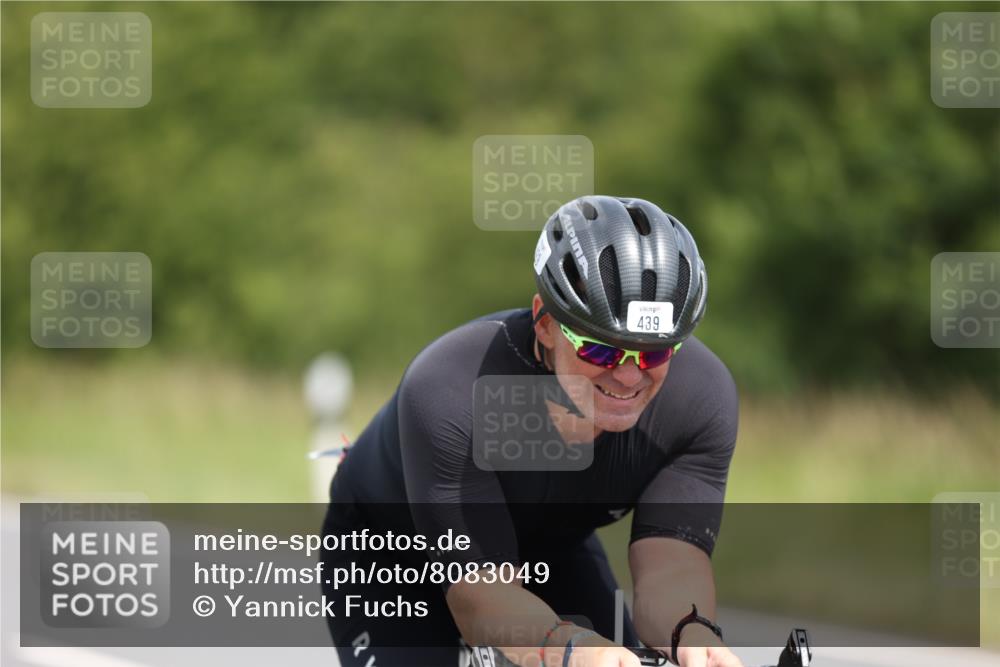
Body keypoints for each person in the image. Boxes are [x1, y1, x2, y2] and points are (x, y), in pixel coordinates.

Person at [321, 195, 742, 667]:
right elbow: (482, 598)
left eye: (654, 353)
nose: (628, 376)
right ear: (545, 324)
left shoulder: (700, 401)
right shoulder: (454, 389)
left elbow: (671, 565)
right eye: (601, 351)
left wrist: (692, 635)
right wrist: (569, 650)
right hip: (392, 553)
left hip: (547, 548)